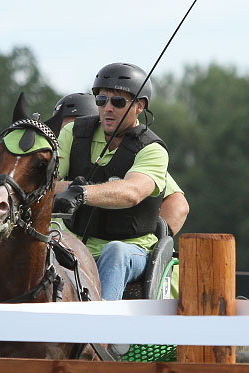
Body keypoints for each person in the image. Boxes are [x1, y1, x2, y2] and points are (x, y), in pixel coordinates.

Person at [51, 63, 188, 301]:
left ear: (139, 106)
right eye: (102, 100)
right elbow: (44, 184)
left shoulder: (152, 150)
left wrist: (81, 193)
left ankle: (101, 328)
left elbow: (132, 192)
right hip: (73, 240)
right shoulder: (72, 133)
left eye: (118, 102)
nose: (107, 108)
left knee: (115, 251)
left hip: (132, 250)